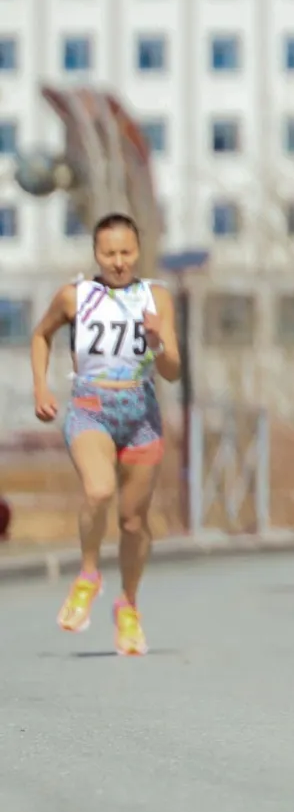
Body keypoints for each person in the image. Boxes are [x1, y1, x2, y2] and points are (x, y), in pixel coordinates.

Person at [30, 213, 182, 657]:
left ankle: (128, 606)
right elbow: (41, 336)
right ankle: (89, 575)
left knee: (133, 521)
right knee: (98, 491)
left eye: (126, 253)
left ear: (138, 251)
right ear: (96, 254)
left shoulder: (155, 298)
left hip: (141, 413)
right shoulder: (75, 296)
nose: (118, 262)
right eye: (109, 253)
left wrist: (157, 341)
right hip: (91, 408)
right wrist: (41, 386)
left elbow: (172, 372)